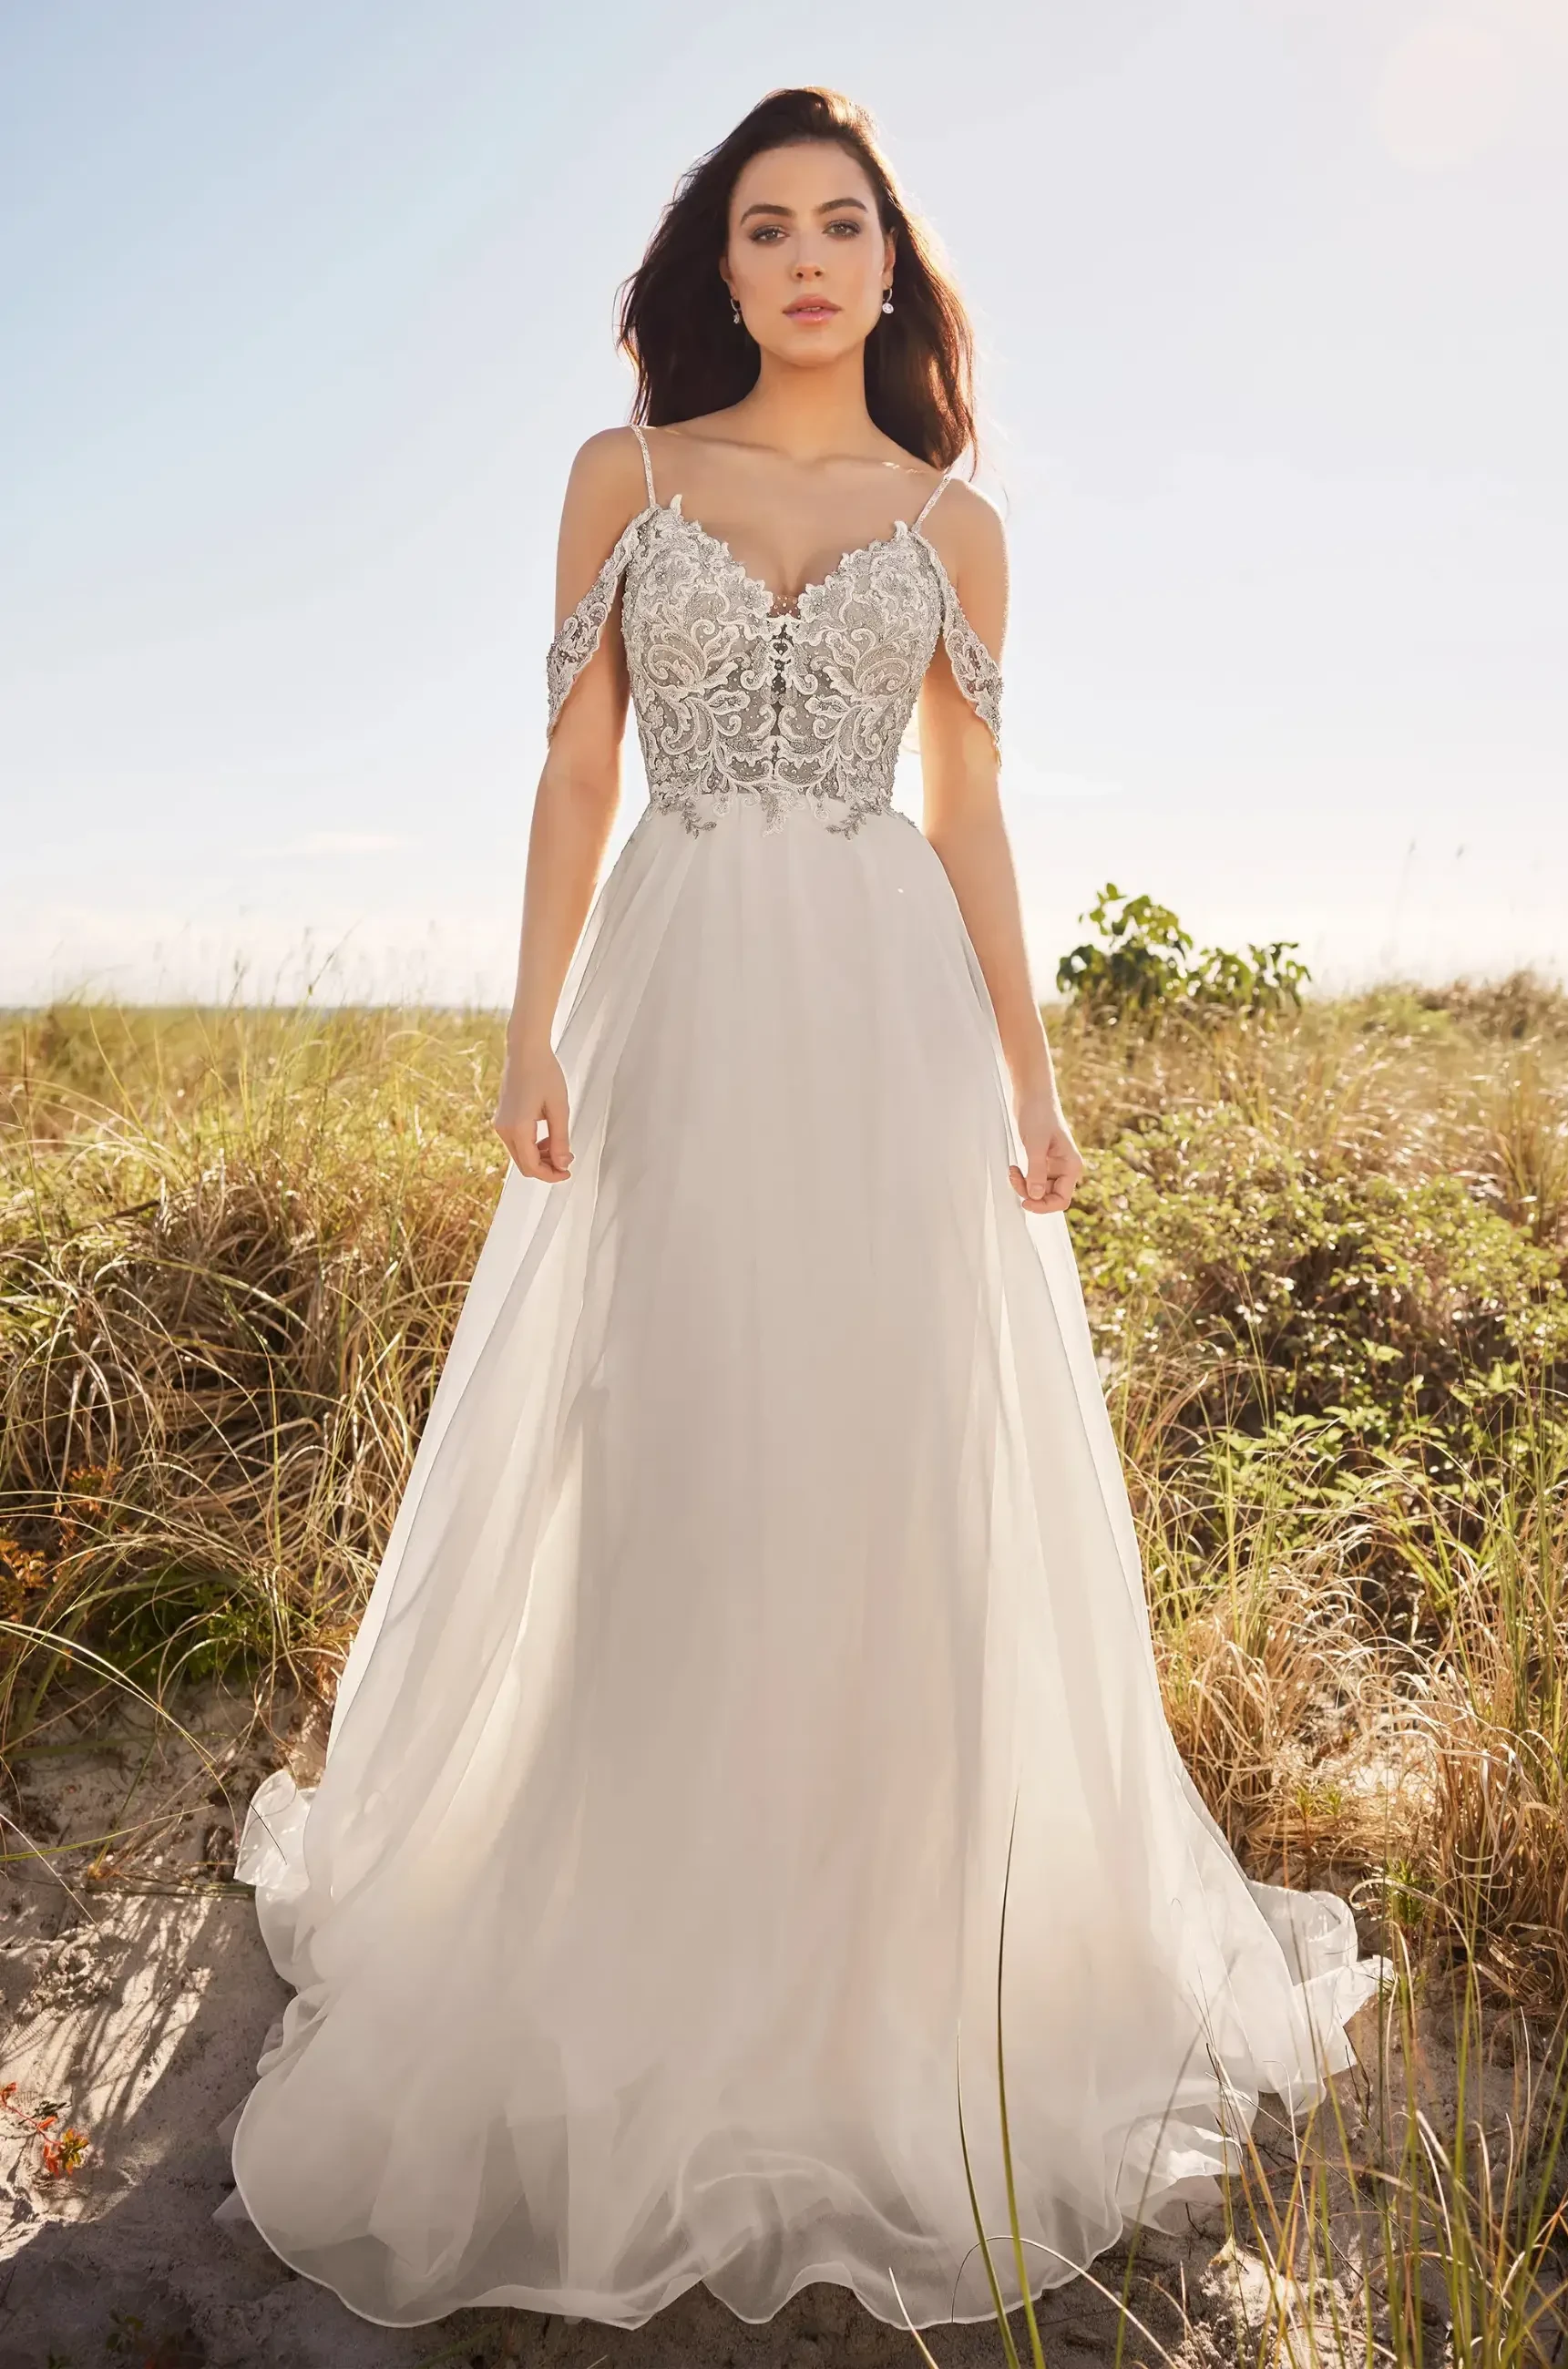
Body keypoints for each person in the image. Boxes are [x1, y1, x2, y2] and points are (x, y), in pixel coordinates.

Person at [214, 85, 1382, 2336]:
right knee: (667, 1435)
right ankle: (648, 1929)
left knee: (882, 1455)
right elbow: (576, 764)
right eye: (765, 226)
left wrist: (1032, 1078)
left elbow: (969, 812)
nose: (809, 258)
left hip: (884, 1018)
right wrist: (526, 1027)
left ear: (889, 263)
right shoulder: (625, 476)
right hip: (672, 994)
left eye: (843, 223)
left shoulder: (953, 520)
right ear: (718, 266)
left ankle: (881, 1956)